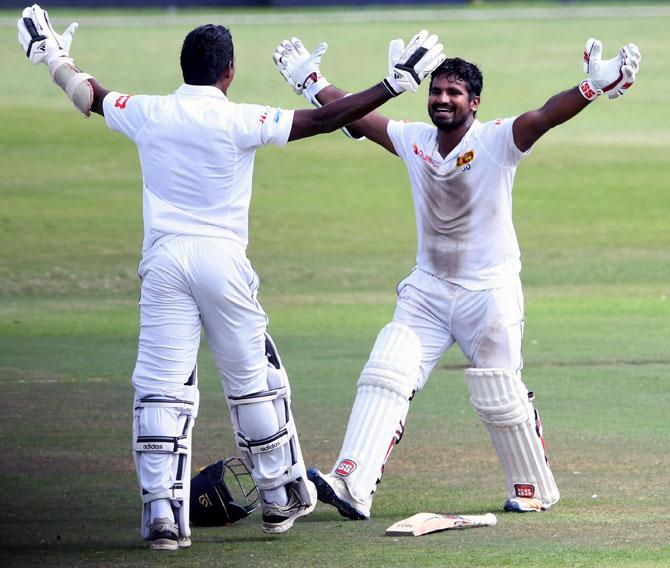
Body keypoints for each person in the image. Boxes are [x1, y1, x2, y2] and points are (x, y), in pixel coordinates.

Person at [17, 4, 446, 550]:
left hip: (165, 263)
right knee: (251, 384)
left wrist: (52, 54)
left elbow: (90, 95)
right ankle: (275, 497)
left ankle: (161, 518)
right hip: (222, 262)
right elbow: (321, 120)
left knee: (161, 392)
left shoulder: (147, 110)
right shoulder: (240, 117)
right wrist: (393, 84)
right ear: (229, 73)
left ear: (184, 67)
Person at [273, 35, 641, 519]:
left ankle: (534, 488)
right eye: (436, 91)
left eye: (453, 93)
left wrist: (589, 88)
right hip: (428, 289)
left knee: (498, 390)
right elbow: (356, 115)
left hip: (488, 293)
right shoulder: (415, 141)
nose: (442, 99)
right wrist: (309, 79)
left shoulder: (495, 141)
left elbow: (544, 115)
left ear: (474, 103)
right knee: (386, 370)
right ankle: (351, 484)